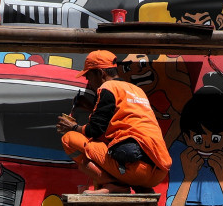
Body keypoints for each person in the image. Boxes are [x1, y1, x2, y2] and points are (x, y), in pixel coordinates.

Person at [57, 50, 172, 193]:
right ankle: (137, 186)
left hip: (134, 168)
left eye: (89, 76)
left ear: (100, 73)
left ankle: (113, 185)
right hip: (157, 172)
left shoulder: (107, 88)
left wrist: (73, 127)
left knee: (69, 139)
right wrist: (89, 107)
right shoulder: (136, 90)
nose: (89, 82)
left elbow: (96, 130)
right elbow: (120, 117)